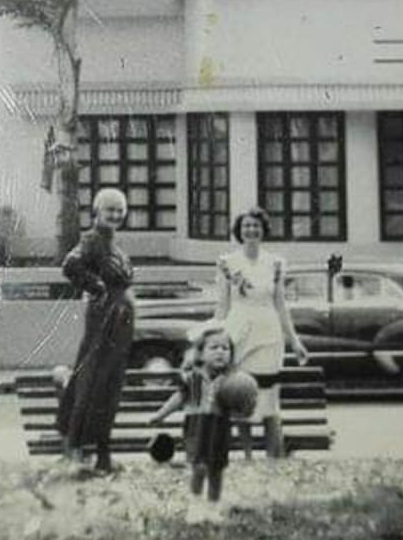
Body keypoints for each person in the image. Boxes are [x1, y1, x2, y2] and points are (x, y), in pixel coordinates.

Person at [214, 206, 308, 460]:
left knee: (268, 400)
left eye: (255, 226)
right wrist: (214, 337)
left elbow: (280, 304)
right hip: (238, 332)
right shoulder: (226, 263)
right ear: (239, 231)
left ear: (263, 230)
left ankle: (273, 457)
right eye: (246, 226)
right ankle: (246, 457)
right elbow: (222, 305)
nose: (251, 230)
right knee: (242, 395)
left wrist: (295, 340)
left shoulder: (276, 263)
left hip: (268, 334)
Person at [56, 186, 134, 473]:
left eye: (119, 210)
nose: (114, 215)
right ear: (96, 212)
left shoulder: (114, 245)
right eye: (109, 209)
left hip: (121, 322)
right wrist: (97, 287)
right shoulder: (91, 240)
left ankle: (103, 454)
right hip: (104, 320)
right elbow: (70, 265)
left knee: (111, 386)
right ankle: (75, 450)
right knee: (92, 383)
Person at [151, 325, 257, 503]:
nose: (220, 352)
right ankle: (196, 503)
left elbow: (241, 408)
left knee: (216, 470)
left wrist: (245, 409)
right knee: (198, 467)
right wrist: (161, 415)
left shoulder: (233, 380)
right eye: (214, 348)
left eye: (225, 348)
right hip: (197, 426)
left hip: (220, 428)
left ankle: (213, 505)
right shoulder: (194, 378)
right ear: (200, 353)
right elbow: (180, 397)